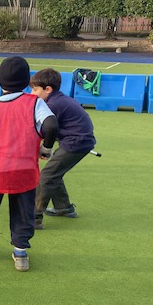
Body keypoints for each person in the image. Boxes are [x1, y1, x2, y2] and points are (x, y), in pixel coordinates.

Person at [0, 57, 58, 271]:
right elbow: (51, 125)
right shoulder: (35, 103)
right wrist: (46, 148)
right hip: (23, 169)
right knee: (23, 210)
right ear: (27, 81)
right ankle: (20, 253)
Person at [30, 68, 96, 229]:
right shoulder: (58, 99)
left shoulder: (53, 104)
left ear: (48, 89)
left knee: (47, 176)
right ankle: (63, 207)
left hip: (76, 143)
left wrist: (45, 147)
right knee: (54, 173)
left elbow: (45, 129)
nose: (32, 93)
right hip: (79, 141)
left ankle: (34, 217)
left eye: (35, 89)